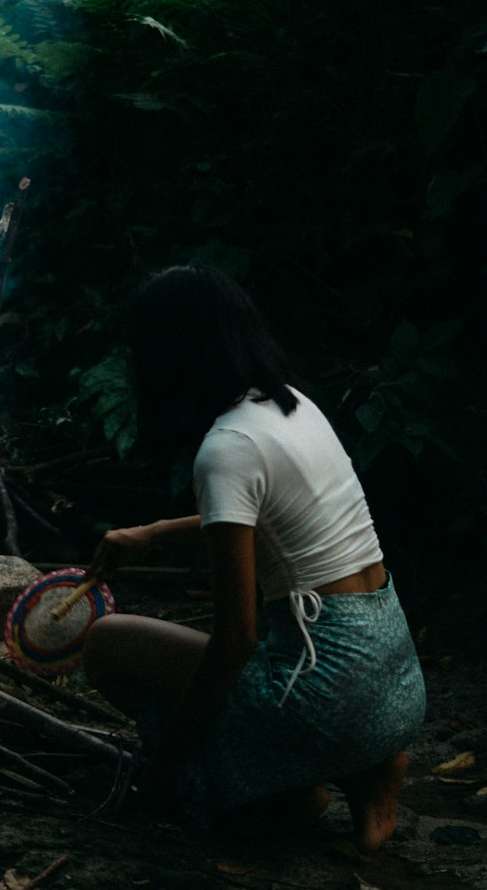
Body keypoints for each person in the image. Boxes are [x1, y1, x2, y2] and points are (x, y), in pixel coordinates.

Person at [83, 265, 426, 852]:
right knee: (249, 664)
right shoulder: (293, 407)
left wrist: (164, 765)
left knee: (107, 644)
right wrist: (151, 534)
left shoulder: (226, 449)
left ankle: (294, 784)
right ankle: (366, 769)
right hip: (395, 683)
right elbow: (263, 515)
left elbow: (235, 640)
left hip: (328, 697)